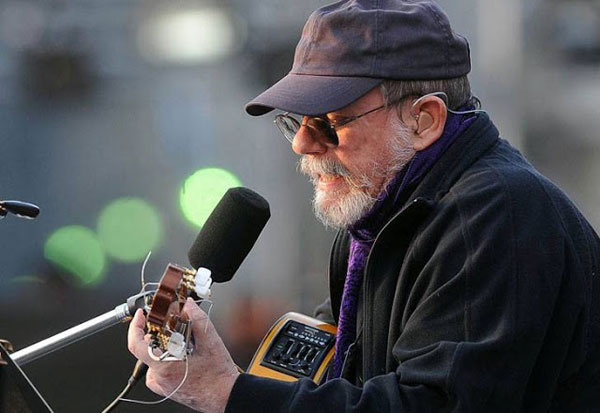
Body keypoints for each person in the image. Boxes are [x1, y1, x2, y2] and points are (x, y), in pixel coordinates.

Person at [127, 1, 600, 411]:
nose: (304, 145)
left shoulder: (495, 212)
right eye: (298, 123)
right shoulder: (382, 218)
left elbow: (435, 405)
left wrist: (231, 393)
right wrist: (211, 366)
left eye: (330, 124)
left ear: (424, 119)